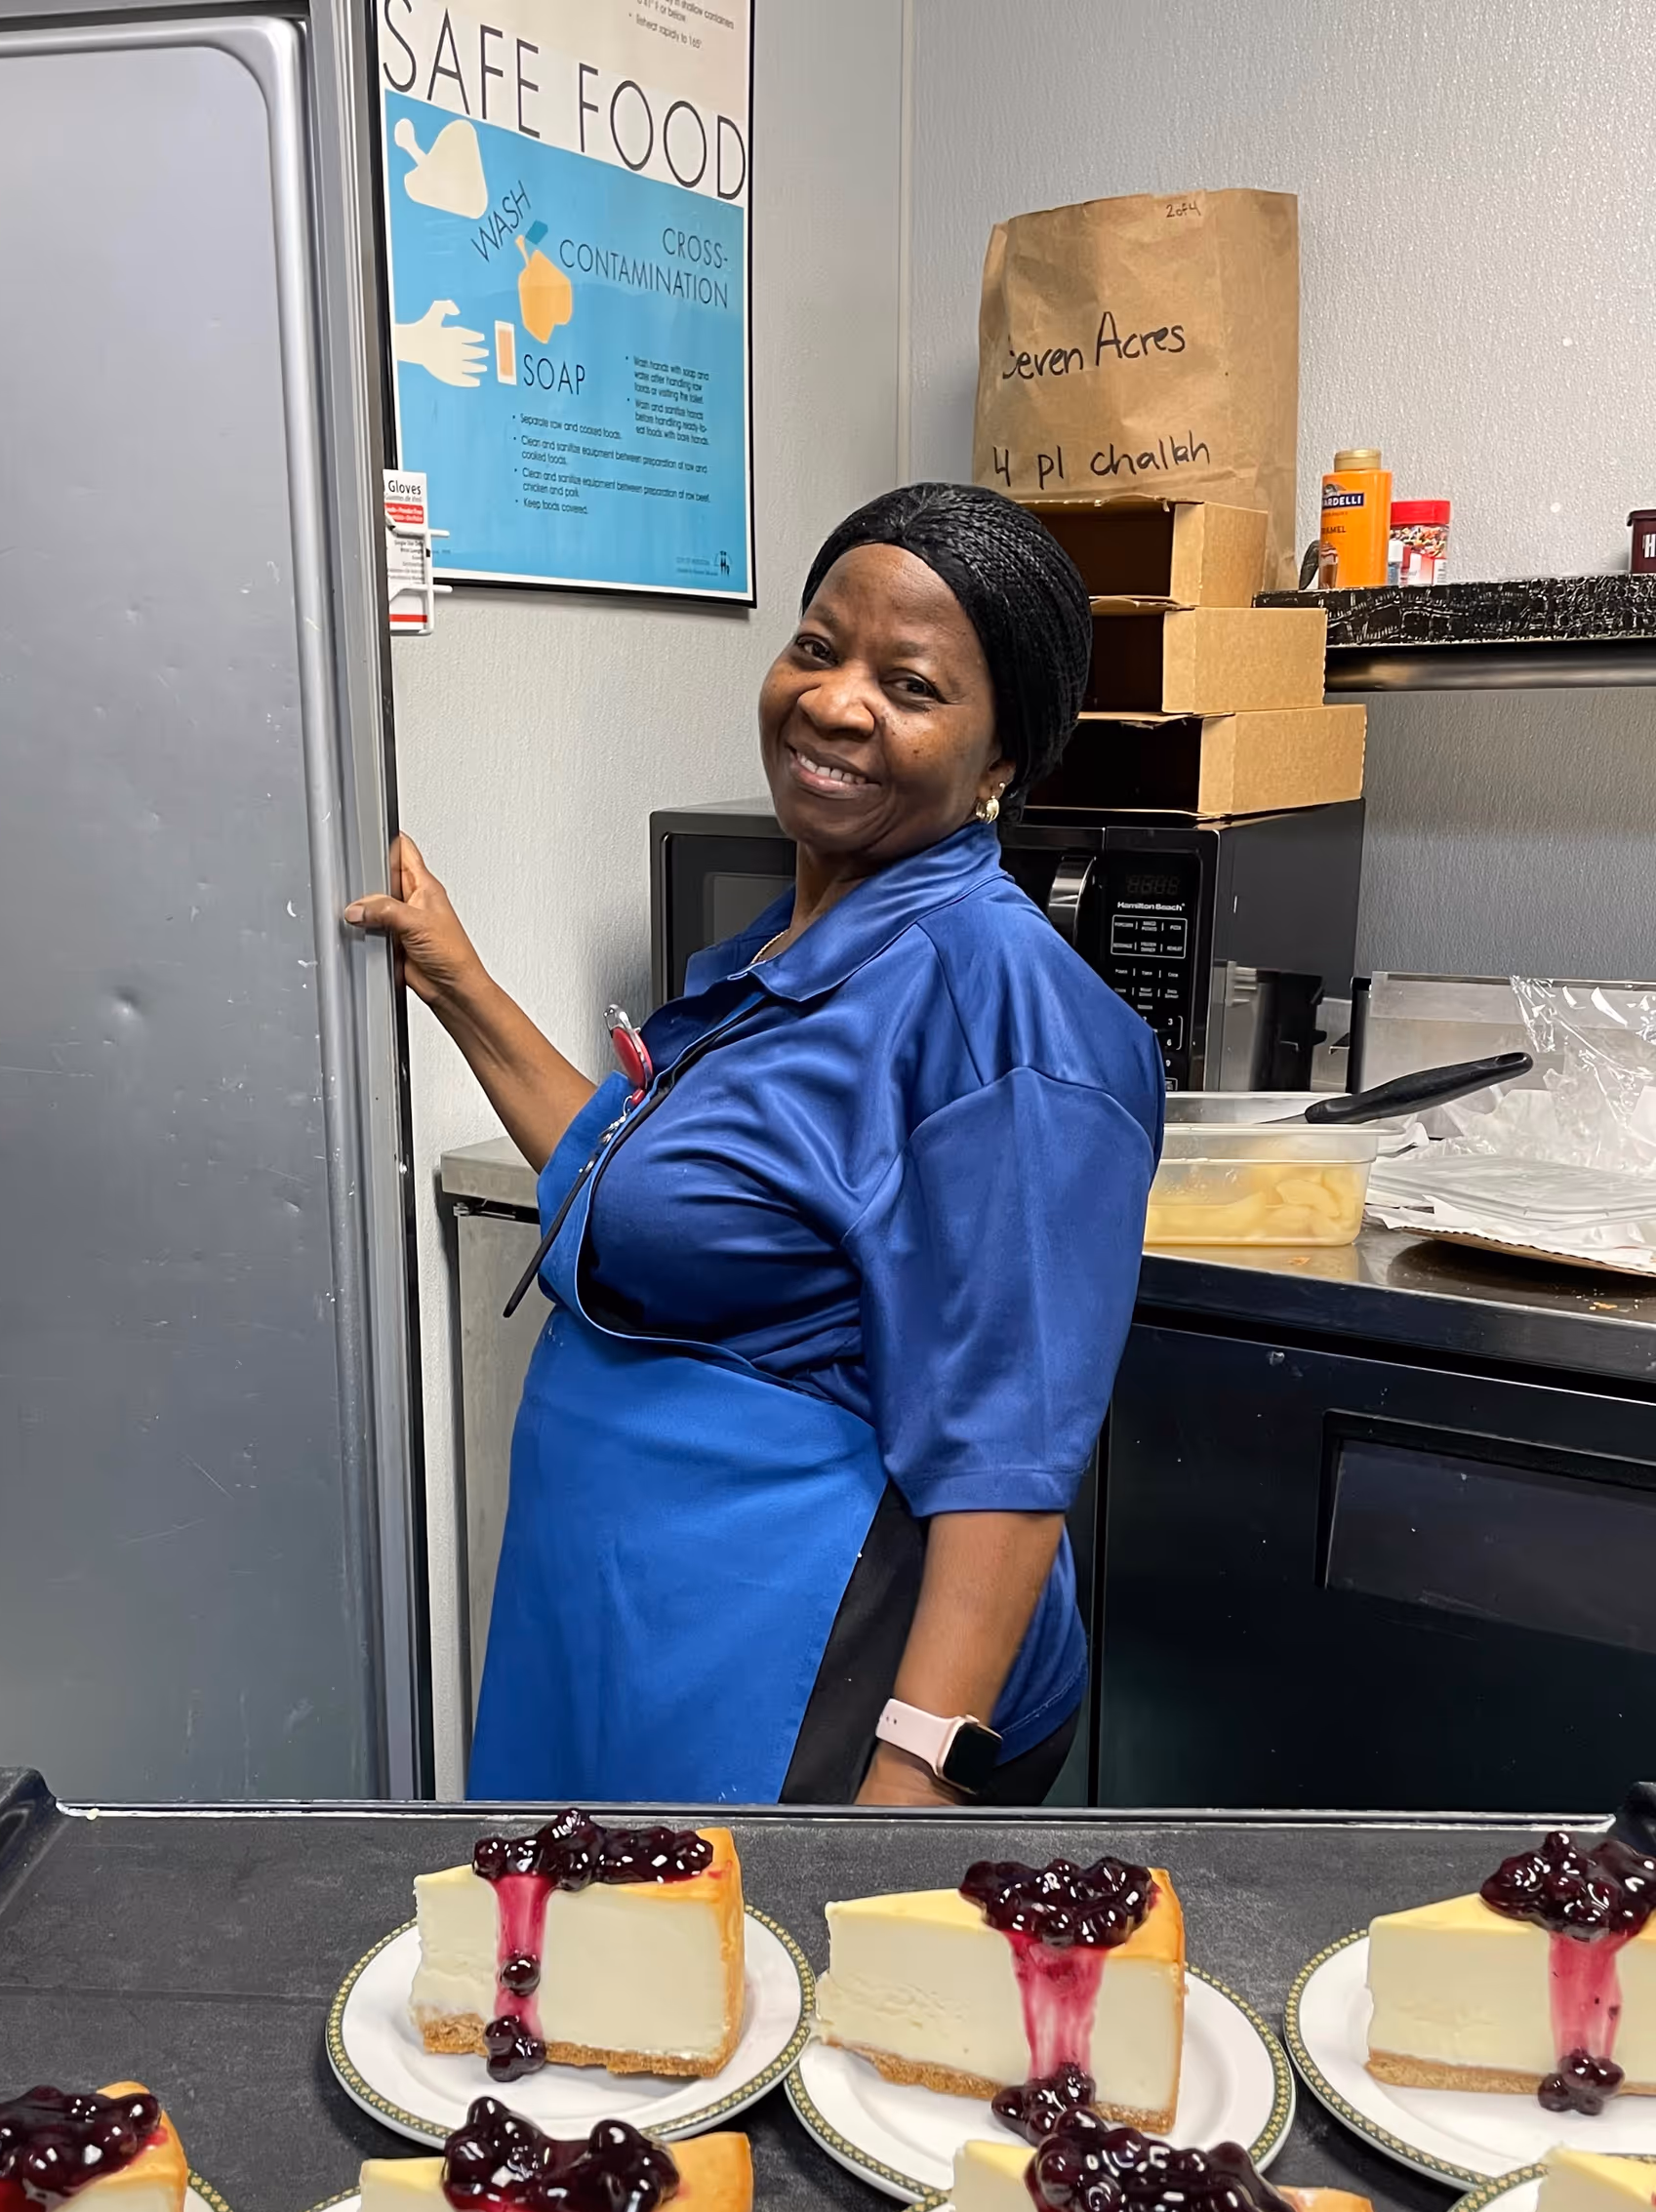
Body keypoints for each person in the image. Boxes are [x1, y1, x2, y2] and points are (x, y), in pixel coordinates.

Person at [345, 483, 1163, 1808]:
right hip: (627, 1623)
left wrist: (909, 1791)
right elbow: (624, 1193)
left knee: (742, 1998)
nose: (837, 702)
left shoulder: (1007, 1014)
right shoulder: (775, 964)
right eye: (818, 646)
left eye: (912, 684)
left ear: (1003, 756)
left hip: (798, 1660)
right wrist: (455, 980)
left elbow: (1010, 1457)